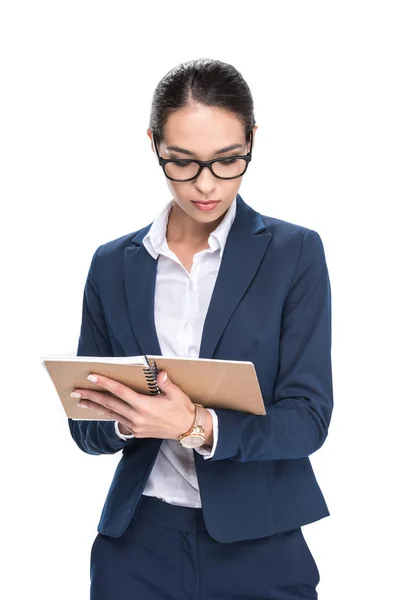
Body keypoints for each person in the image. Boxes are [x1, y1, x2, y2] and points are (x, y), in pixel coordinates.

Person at [69, 58, 333, 600]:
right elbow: (85, 429)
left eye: (228, 160)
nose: (205, 185)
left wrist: (196, 424)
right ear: (153, 144)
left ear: (252, 139)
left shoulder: (295, 253)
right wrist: (129, 420)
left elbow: (307, 420)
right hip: (136, 544)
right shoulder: (113, 264)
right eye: (182, 162)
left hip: (259, 544)